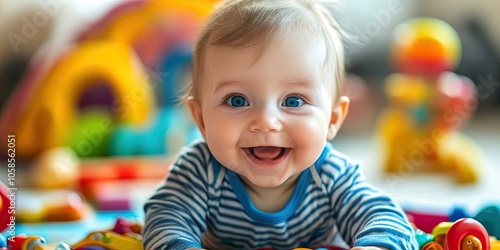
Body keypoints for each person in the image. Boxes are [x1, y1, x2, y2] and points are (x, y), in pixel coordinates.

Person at [143, 0, 418, 249]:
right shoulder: (200, 171)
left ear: (333, 119)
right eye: (237, 101)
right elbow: (166, 220)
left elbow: (383, 217)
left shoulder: (331, 175)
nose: (266, 122)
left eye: (294, 101)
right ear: (201, 119)